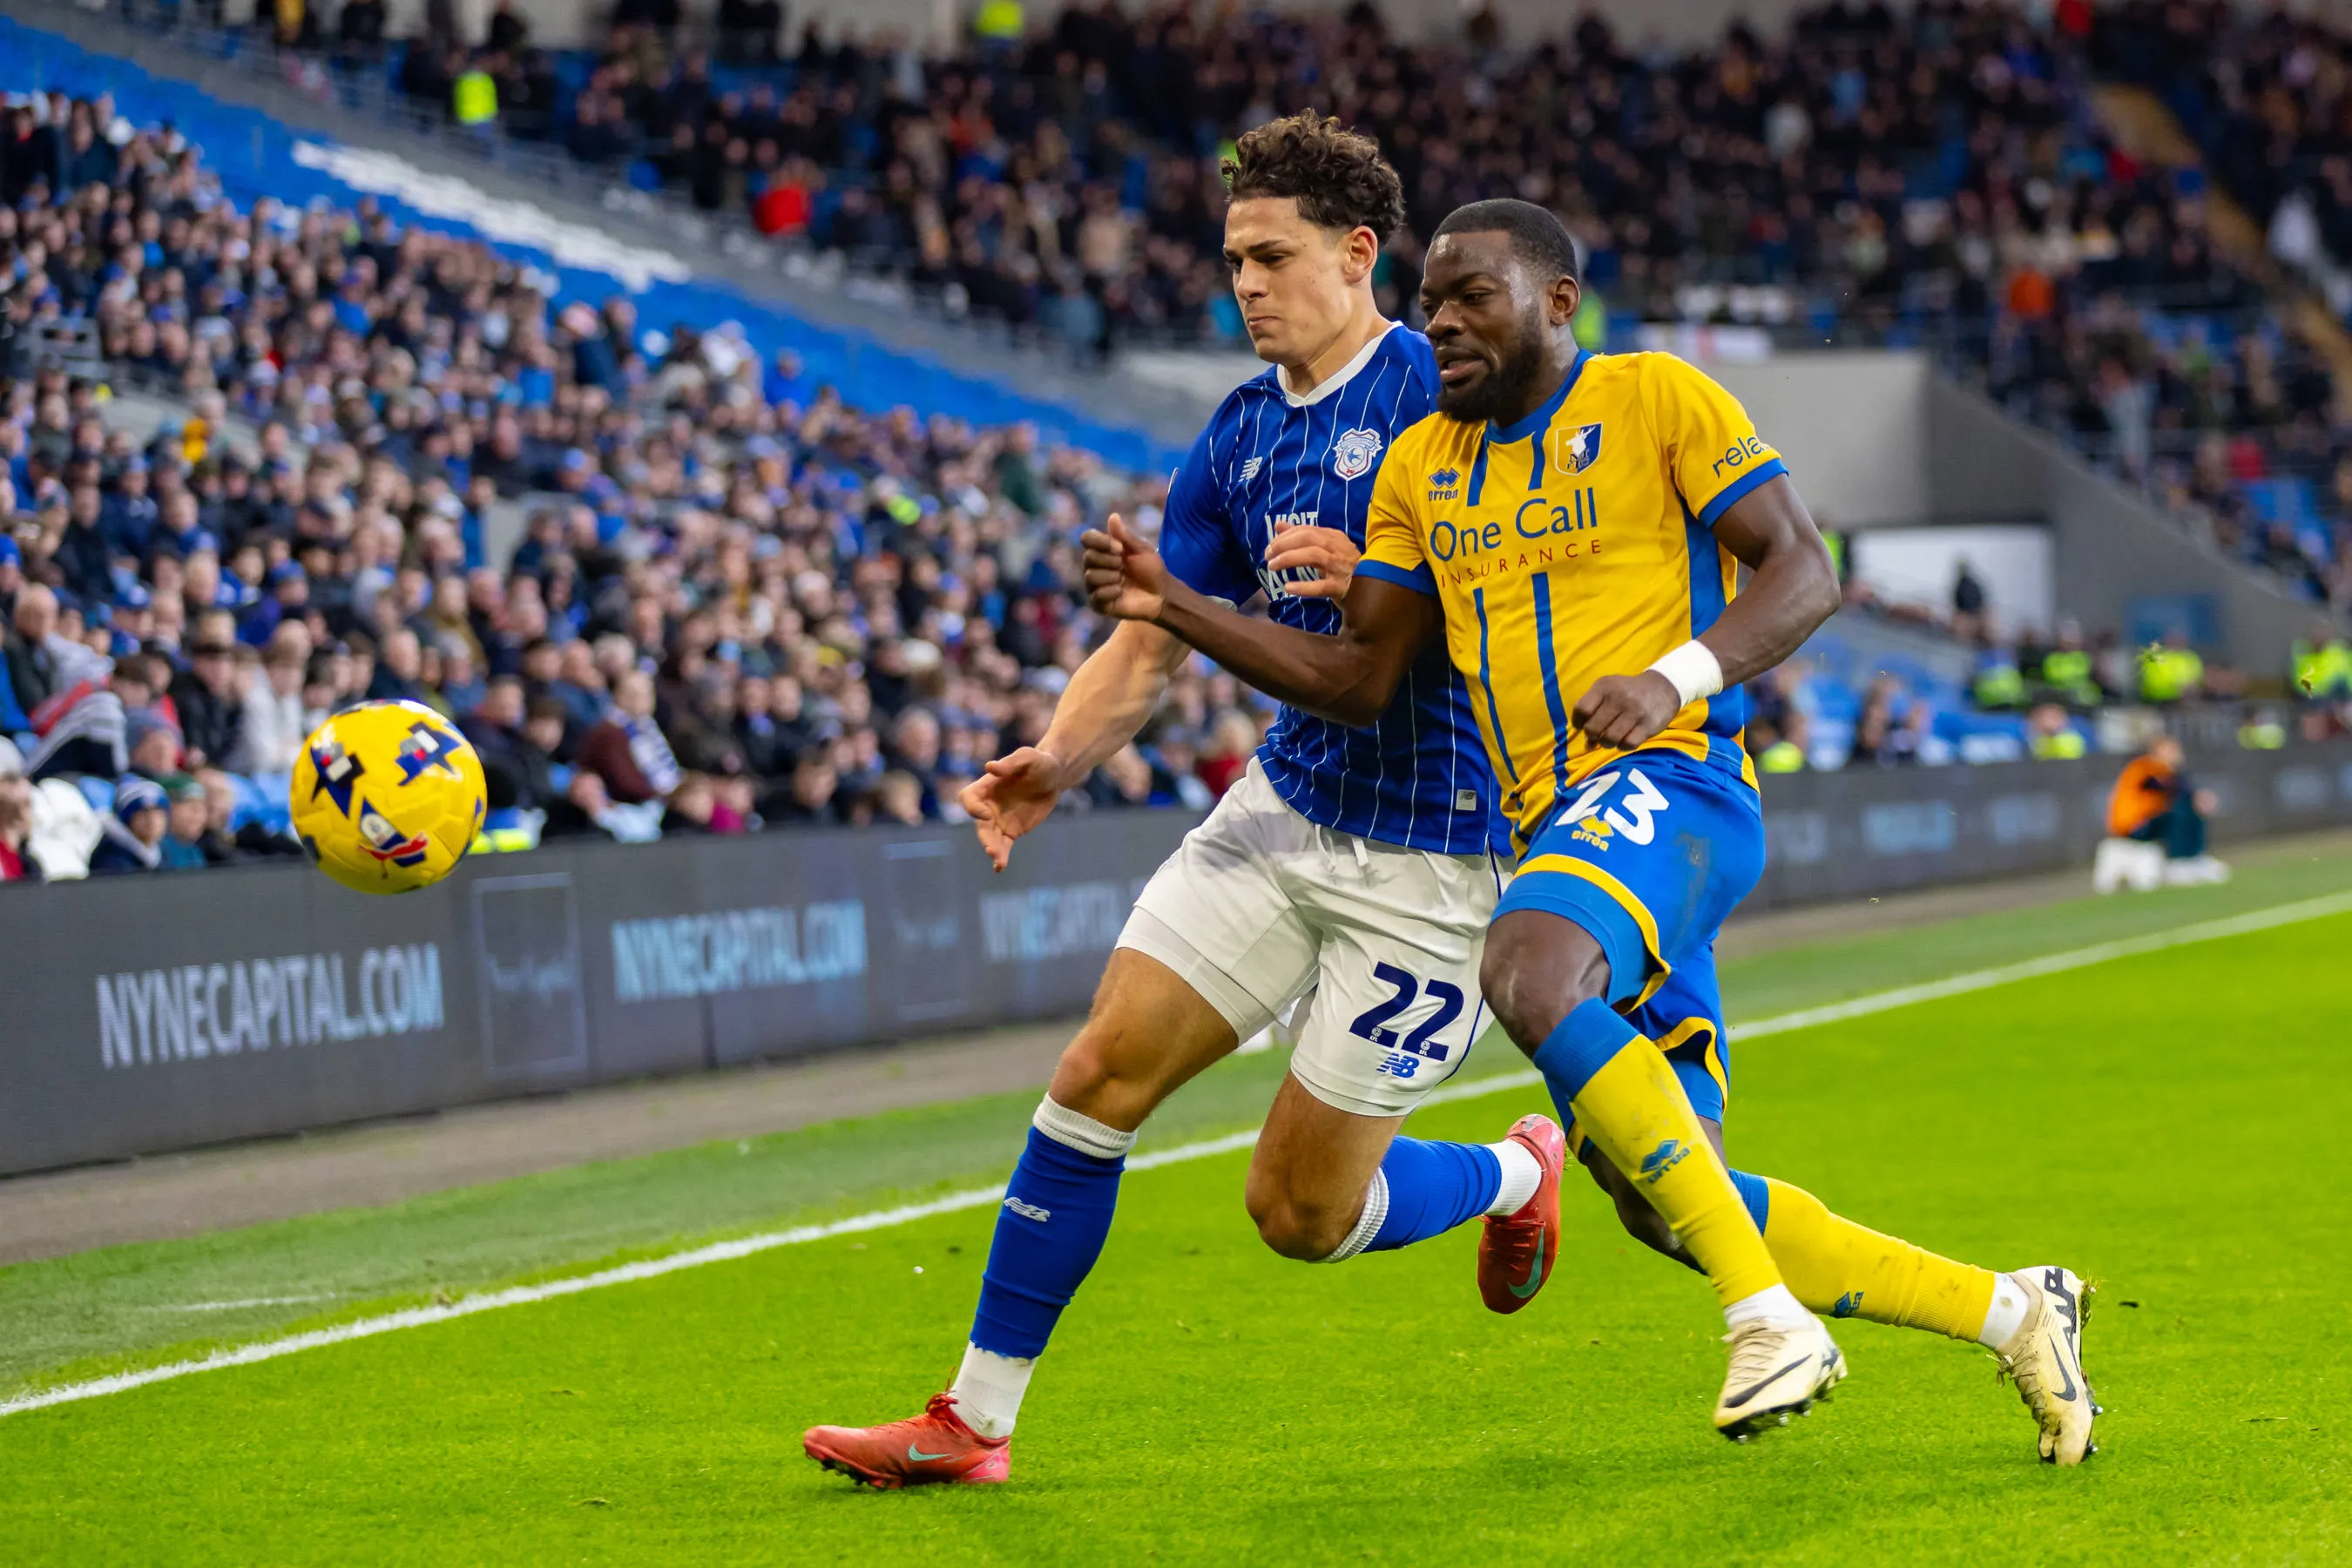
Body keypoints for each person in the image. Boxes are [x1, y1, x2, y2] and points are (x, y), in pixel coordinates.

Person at [1079, 198, 2098, 1463]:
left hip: (1675, 787)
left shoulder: (1658, 398)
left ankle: (1767, 1319)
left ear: (1558, 303)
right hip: (1553, 835)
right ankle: (2014, 1312)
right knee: (1665, 1198)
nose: (1443, 321)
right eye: (1432, 299)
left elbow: (1803, 568)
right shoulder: (1421, 471)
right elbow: (1359, 679)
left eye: (1475, 297)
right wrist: (1178, 605)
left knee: (1523, 967)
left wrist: (1676, 678)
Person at [804, 118, 1562, 1490]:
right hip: (1281, 813)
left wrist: (1408, 582)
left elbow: (1516, 611)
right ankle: (973, 1424)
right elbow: (1153, 639)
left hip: (1437, 858)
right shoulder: (1238, 431)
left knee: (1299, 1215)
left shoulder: (1446, 398)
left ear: (1356, 254)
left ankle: (1514, 1177)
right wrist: (1056, 757)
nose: (1246, 285)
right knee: (1095, 1078)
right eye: (1232, 261)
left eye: (1272, 257)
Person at [2108, 733, 2227, 883]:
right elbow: (2166, 788)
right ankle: (2180, 863)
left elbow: (2184, 789)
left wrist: (2200, 798)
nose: (2176, 755)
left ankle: (2194, 858)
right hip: (2133, 826)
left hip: (2150, 821)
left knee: (2190, 810)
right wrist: (2196, 797)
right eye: (2171, 751)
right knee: (2179, 812)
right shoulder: (2144, 768)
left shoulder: (2167, 772)